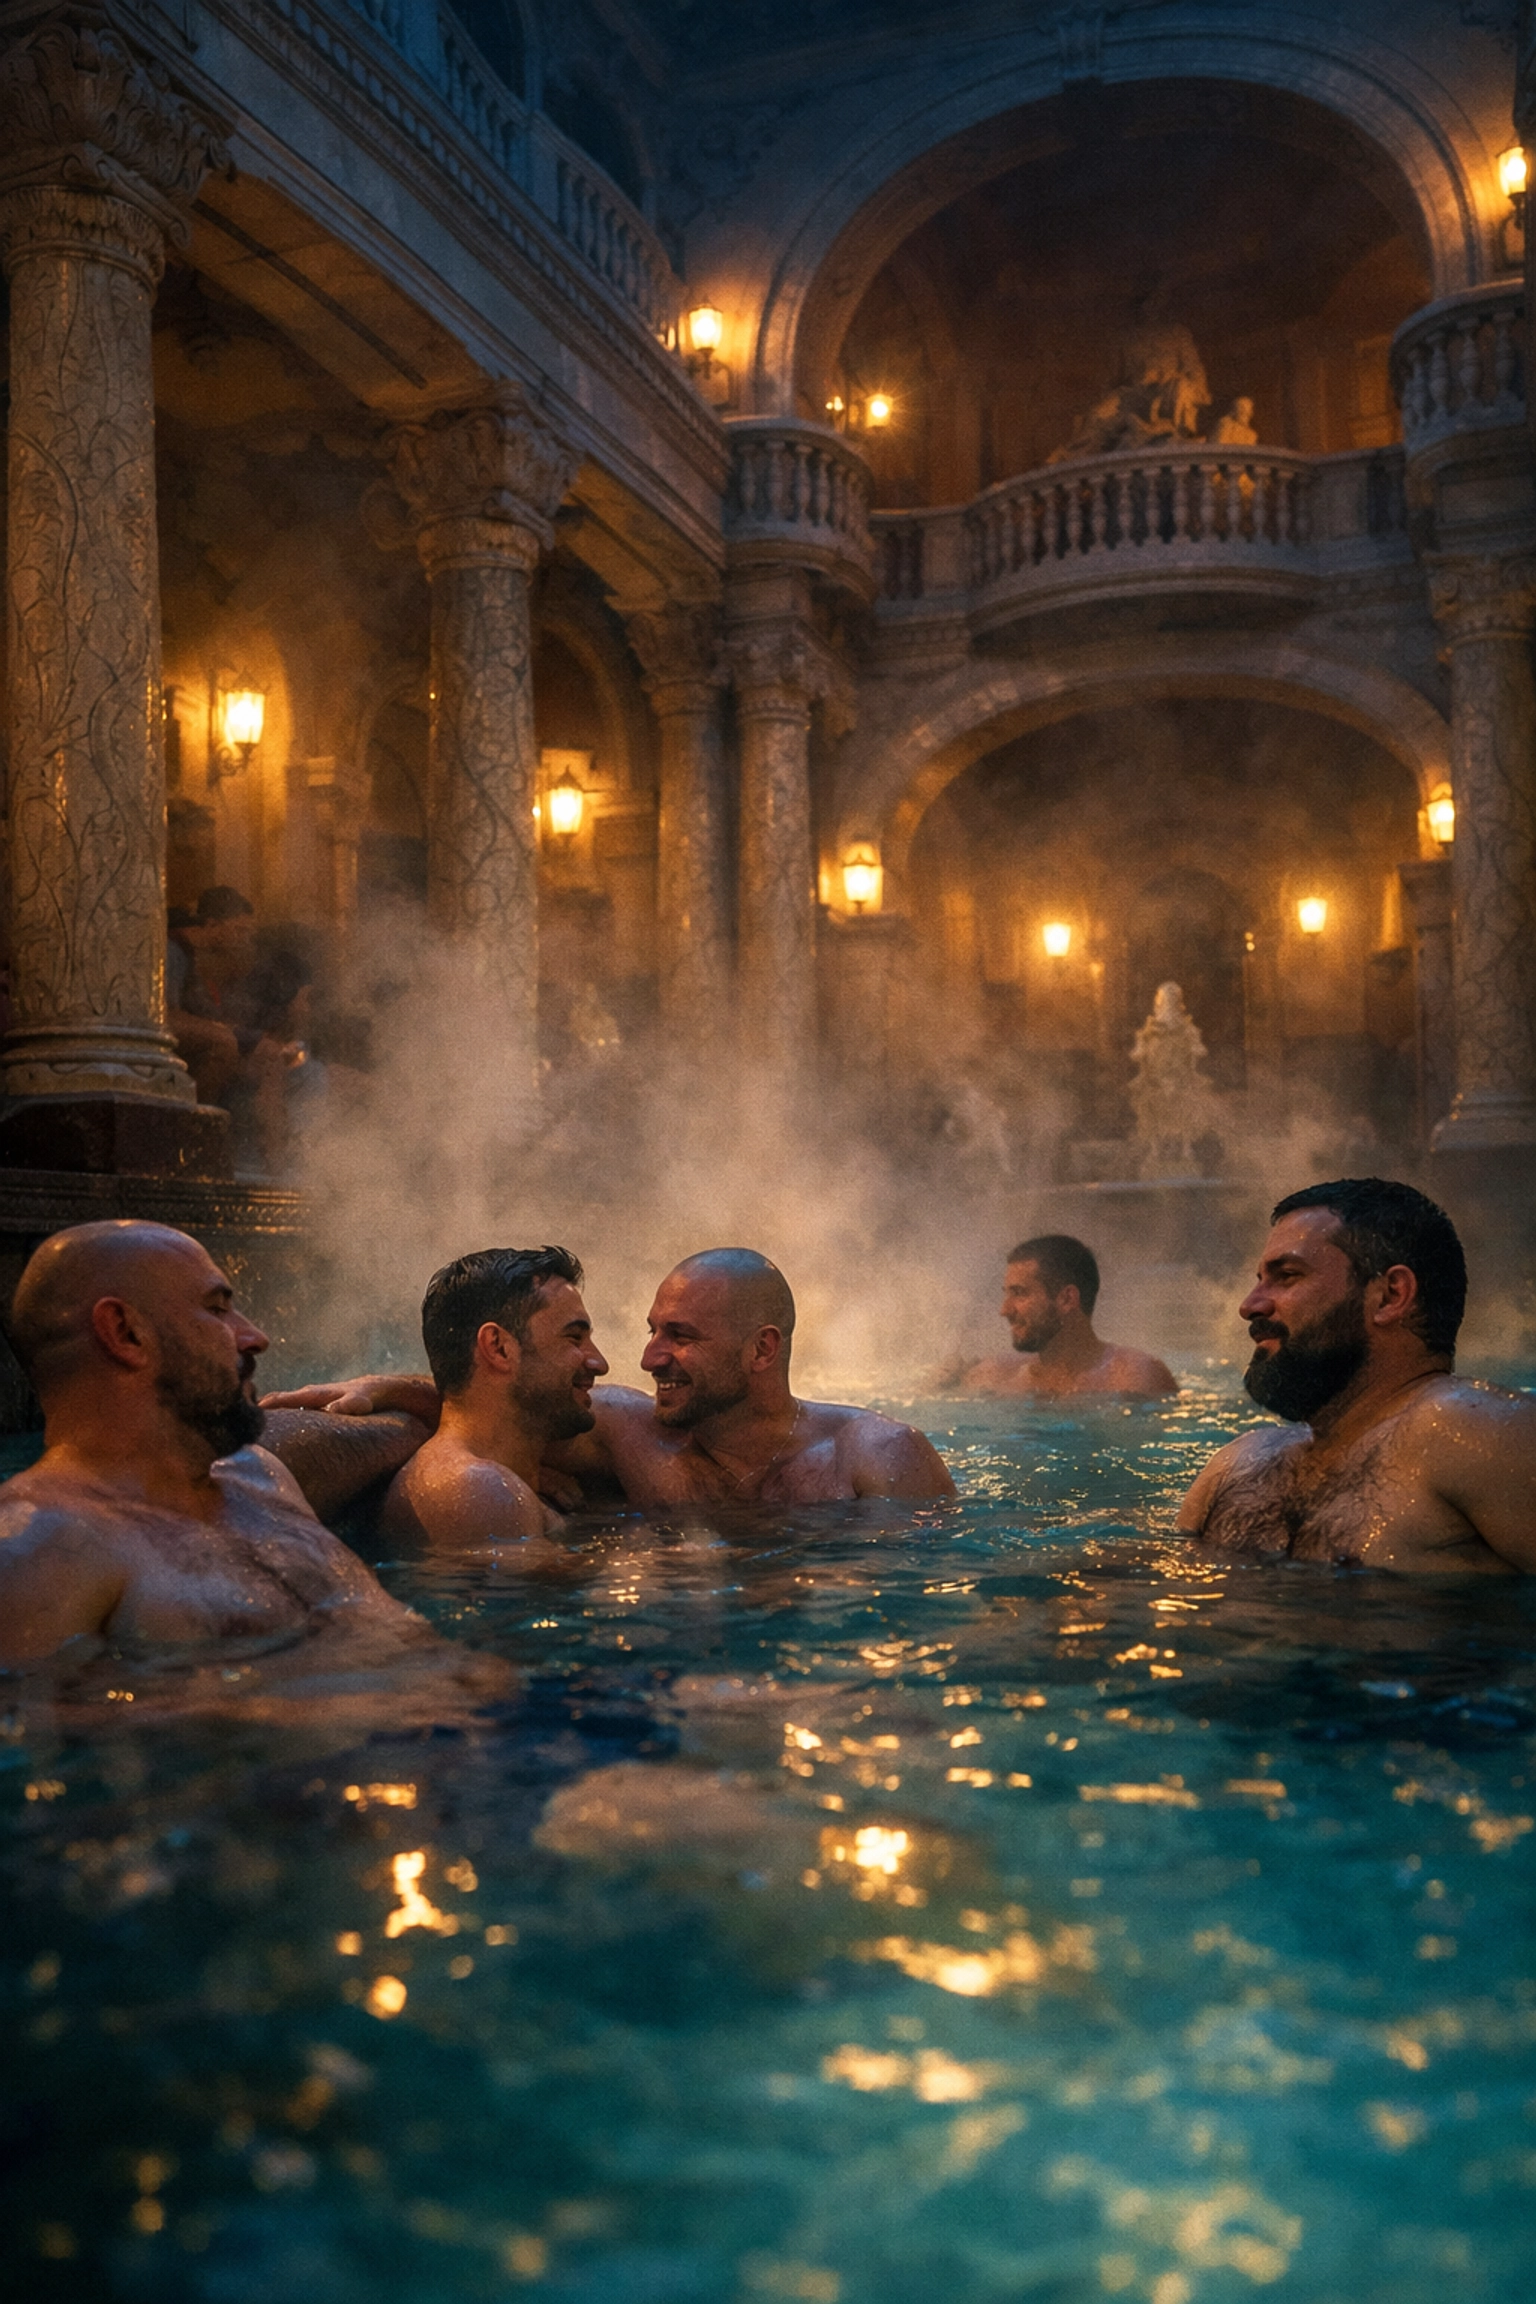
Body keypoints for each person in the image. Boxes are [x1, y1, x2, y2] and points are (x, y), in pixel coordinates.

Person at [0, 1221, 508, 1710]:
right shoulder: (43, 1541)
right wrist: (288, 1711)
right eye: (218, 1309)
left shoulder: (260, 1474)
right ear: (125, 1332)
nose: (255, 1336)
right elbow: (24, 1724)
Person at [270, 1248, 957, 1507]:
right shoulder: (633, 1432)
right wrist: (392, 1387)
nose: (649, 1357)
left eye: (680, 1337)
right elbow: (501, 1403)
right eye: (653, 1331)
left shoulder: (875, 1457)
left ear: (761, 1351)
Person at [1177, 1178, 1536, 1571]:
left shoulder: (1479, 1432)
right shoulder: (1237, 1462)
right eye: (1260, 1280)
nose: (1250, 1306)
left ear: (1389, 1296)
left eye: (1287, 1275)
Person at [381, 1246, 609, 1551]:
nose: (599, 1362)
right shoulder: (477, 1487)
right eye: (574, 1338)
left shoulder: (494, 1483)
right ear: (499, 1347)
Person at [948, 1235, 1177, 1398]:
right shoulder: (996, 1377)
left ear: (1067, 1299)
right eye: (1007, 1294)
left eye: (1019, 1293)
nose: (1004, 1310)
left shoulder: (1136, 1379)